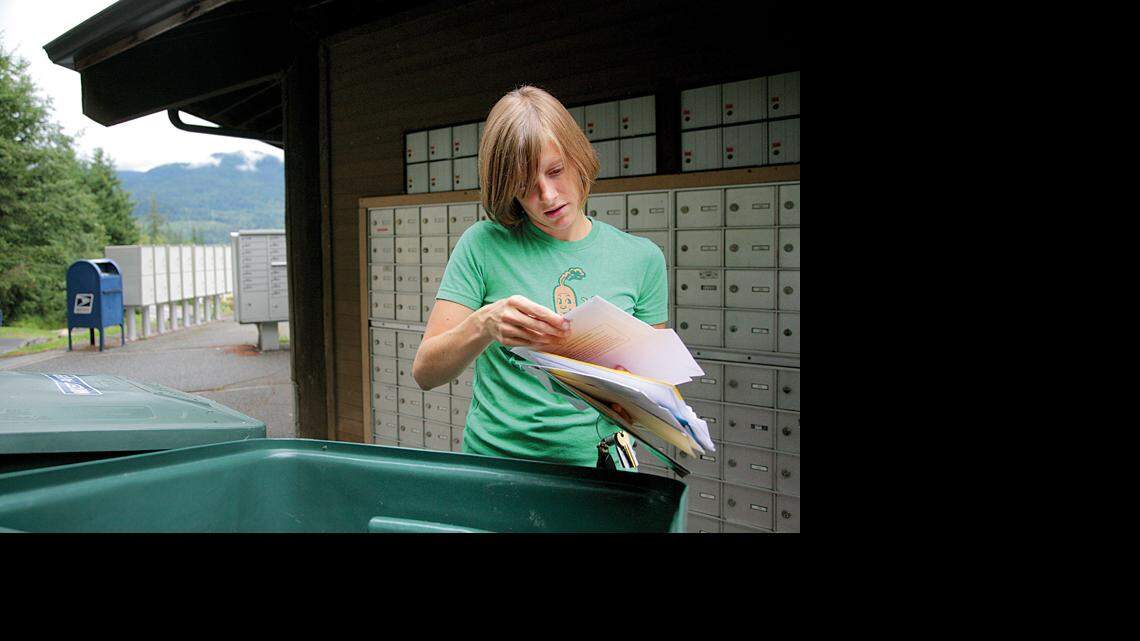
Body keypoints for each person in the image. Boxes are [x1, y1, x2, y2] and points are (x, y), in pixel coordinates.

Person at [412, 85, 668, 467]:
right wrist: (485, 323)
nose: (547, 195)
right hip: (498, 467)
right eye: (525, 184)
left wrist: (635, 400)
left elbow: (655, 387)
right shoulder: (482, 245)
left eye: (555, 171)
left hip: (600, 470)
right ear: (506, 188)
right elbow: (426, 373)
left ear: (578, 157)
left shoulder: (642, 259)